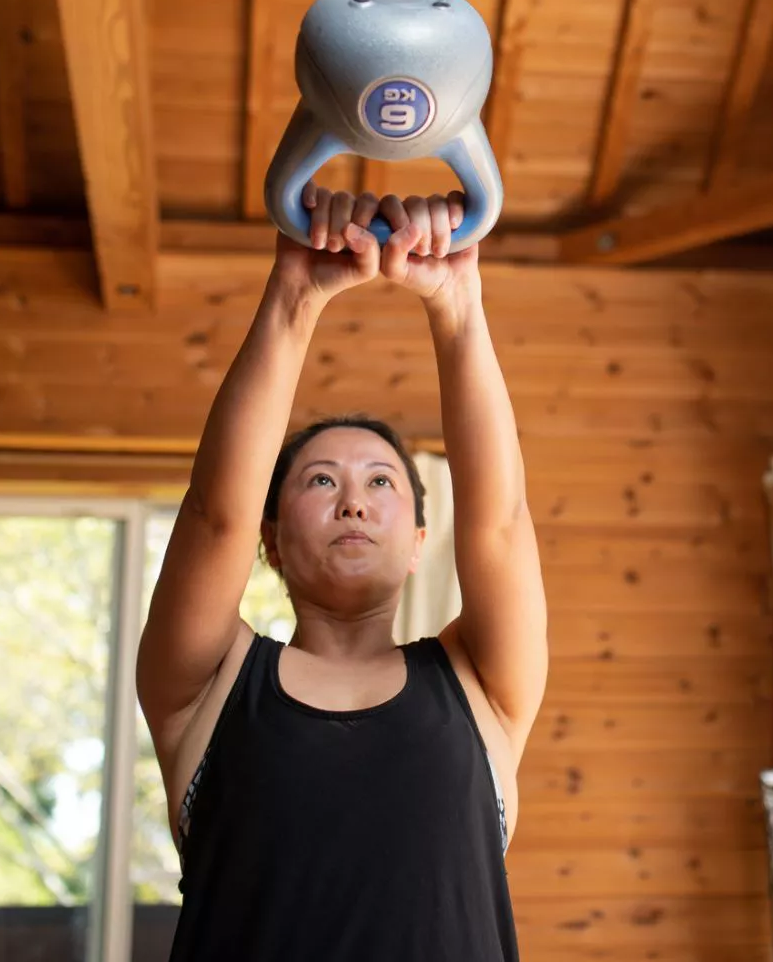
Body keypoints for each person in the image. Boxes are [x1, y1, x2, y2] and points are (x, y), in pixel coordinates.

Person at [136, 184, 549, 962]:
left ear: (421, 540)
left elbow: (499, 525)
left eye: (382, 483)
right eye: (320, 481)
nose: (352, 501)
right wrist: (293, 295)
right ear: (271, 543)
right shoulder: (205, 683)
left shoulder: (483, 685)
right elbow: (211, 515)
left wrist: (458, 304)